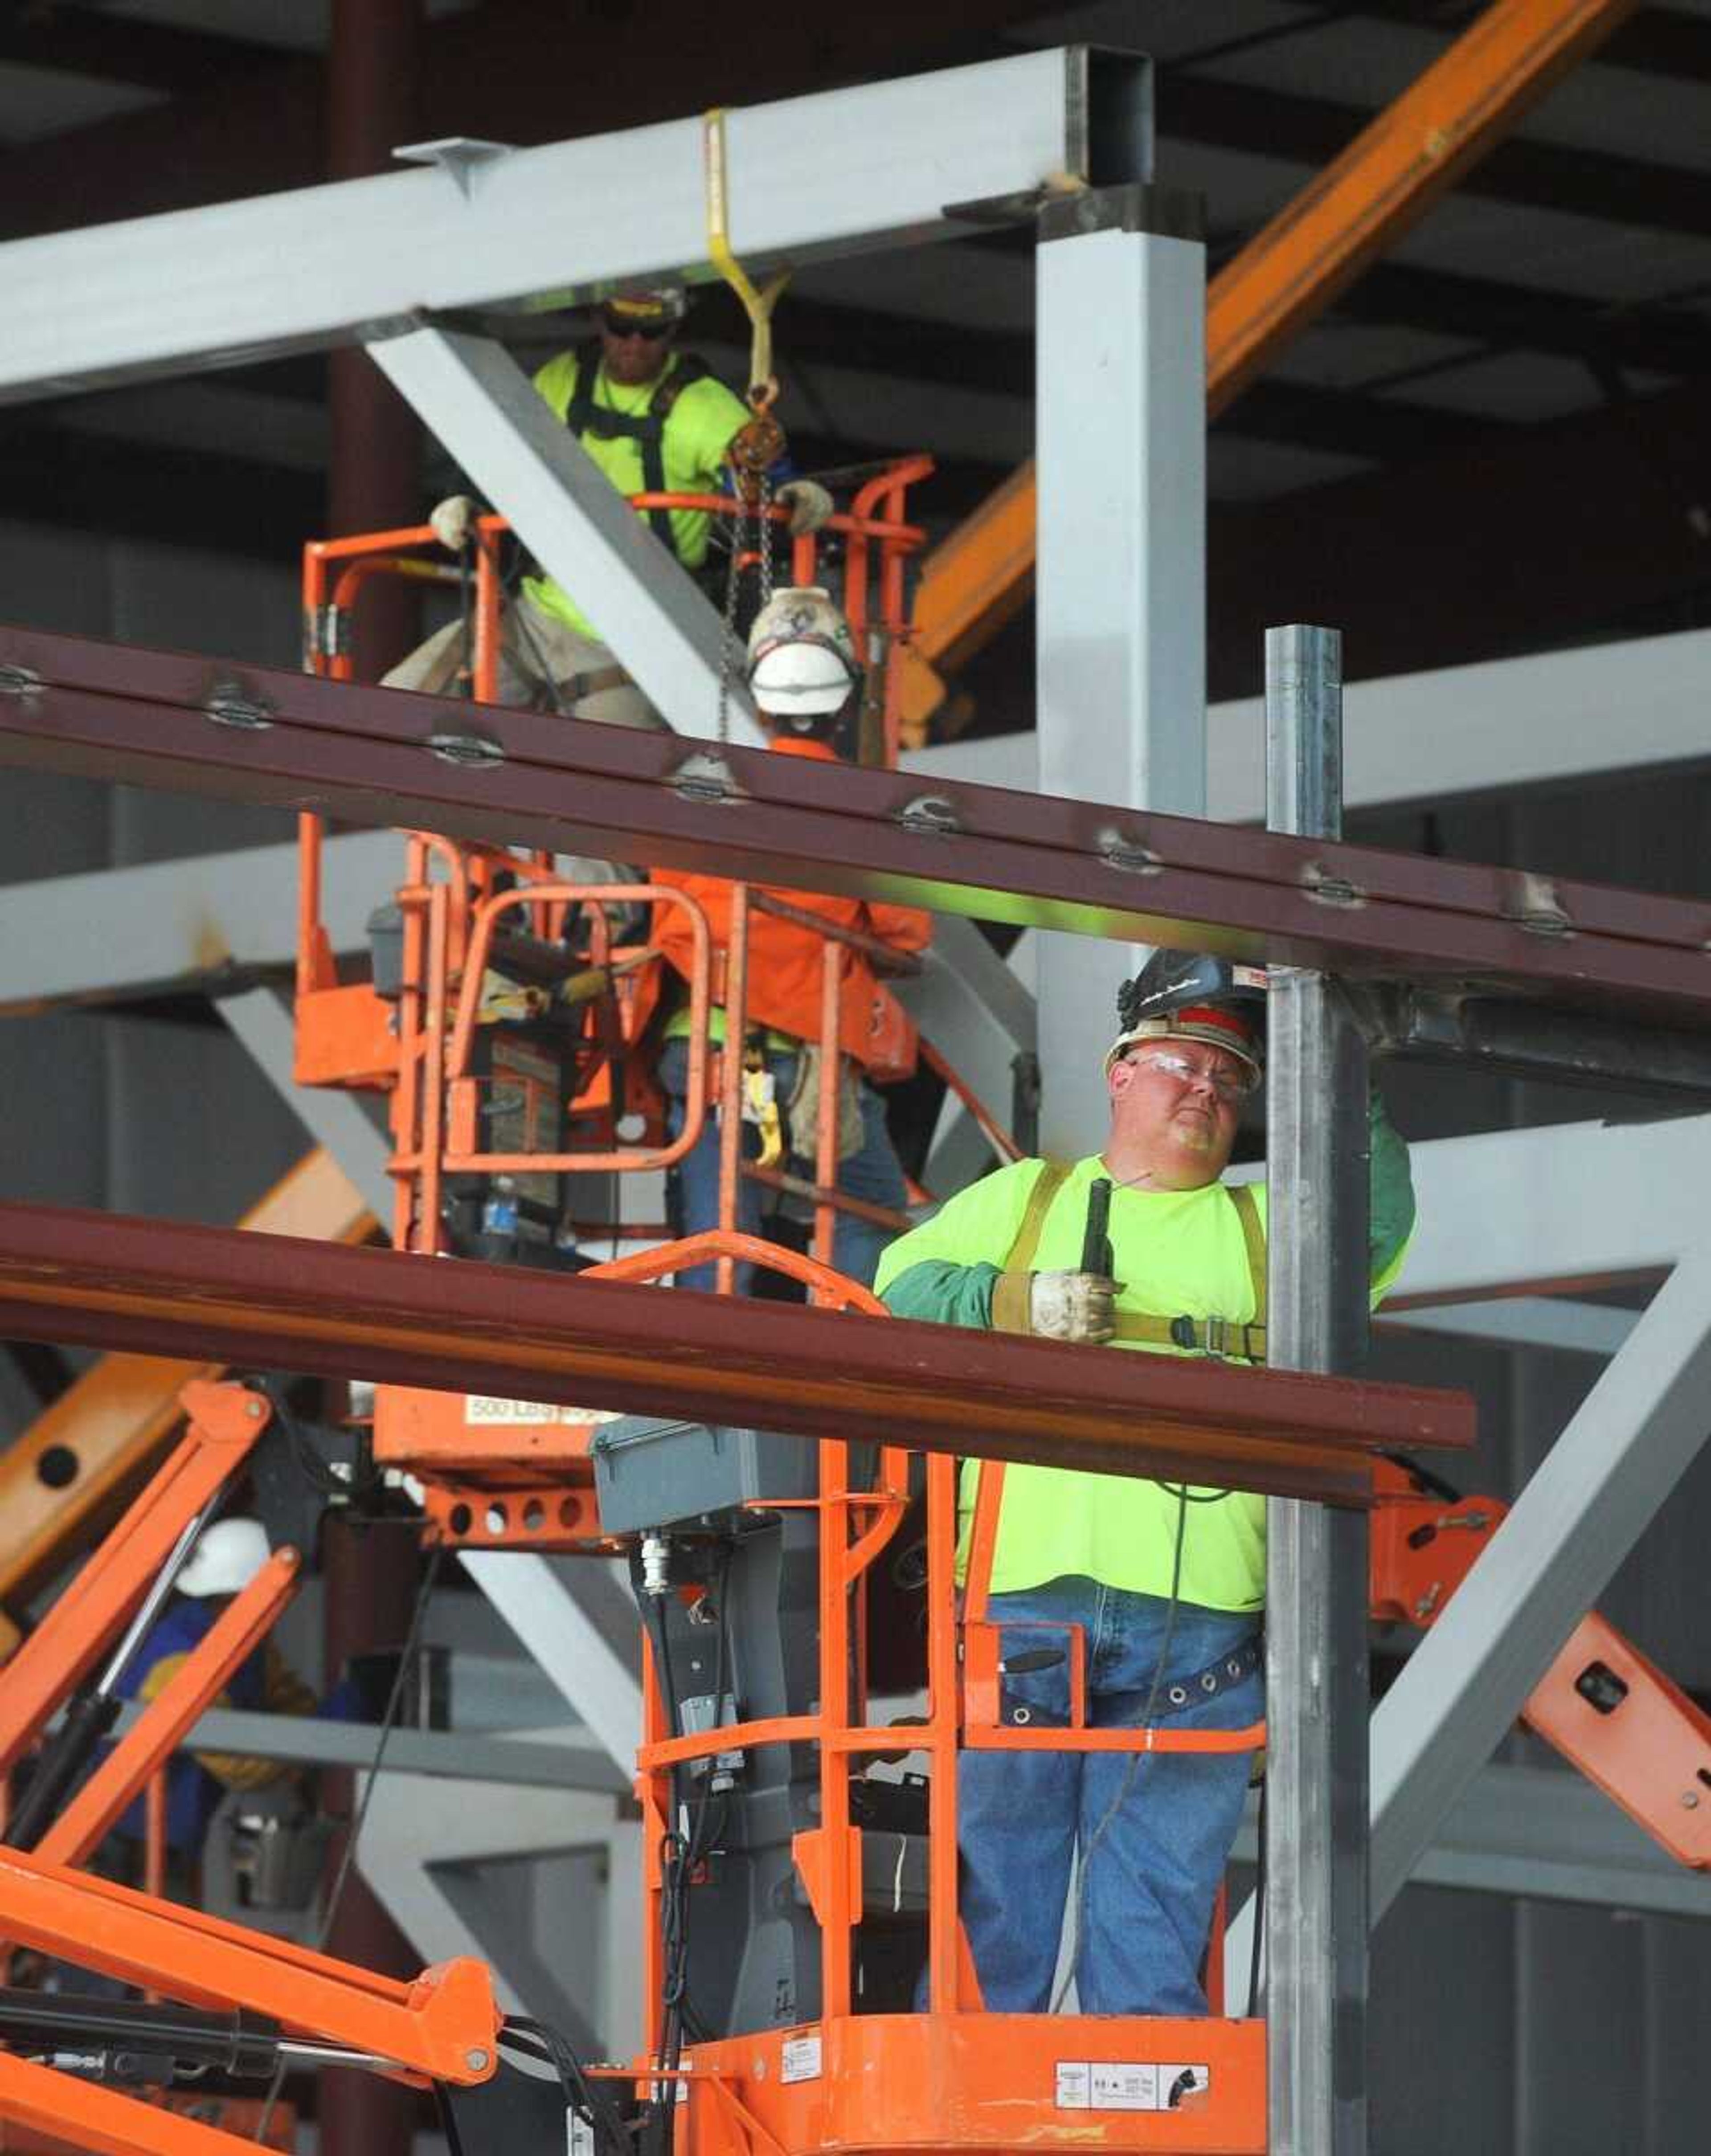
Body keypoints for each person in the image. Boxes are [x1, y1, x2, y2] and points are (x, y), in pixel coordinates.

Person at [873, 951, 1416, 2017]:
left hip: (1203, 1625)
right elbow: (897, 1291)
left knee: (1152, 1929)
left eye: (1231, 1076)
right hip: (1030, 1602)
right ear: (1121, 1071)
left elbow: (1377, 1212)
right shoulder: (1028, 1200)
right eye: (1182, 1062)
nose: (1206, 1088)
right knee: (998, 1913)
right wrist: (1013, 1302)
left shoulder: (1269, 1231)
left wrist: (1341, 1048)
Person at [649, 587, 931, 1293]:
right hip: (813, 1061)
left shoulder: (702, 797)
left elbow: (669, 918)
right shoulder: (868, 806)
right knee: (871, 1210)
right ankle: (848, 1357)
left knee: (718, 1237)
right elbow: (906, 932)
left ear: (759, 692)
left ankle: (707, 1376)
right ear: (844, 701)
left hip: (708, 1051)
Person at [384, 288, 830, 727]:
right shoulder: (564, 381)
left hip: (632, 638)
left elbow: (762, 478)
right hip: (535, 614)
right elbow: (508, 451)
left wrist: (795, 495)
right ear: (600, 321)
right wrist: (464, 502)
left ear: (673, 328)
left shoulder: (704, 407)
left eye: (651, 330)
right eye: (623, 326)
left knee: (605, 780)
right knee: (400, 701)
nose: (634, 342)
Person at [111, 1517, 318, 1868]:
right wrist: (307, 1755)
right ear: (240, 1596)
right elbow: (238, 1766)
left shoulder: (243, 1641)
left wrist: (313, 1733)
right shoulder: (180, 1657)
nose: (280, 1609)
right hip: (130, 1839)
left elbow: (290, 1699)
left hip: (171, 1830)